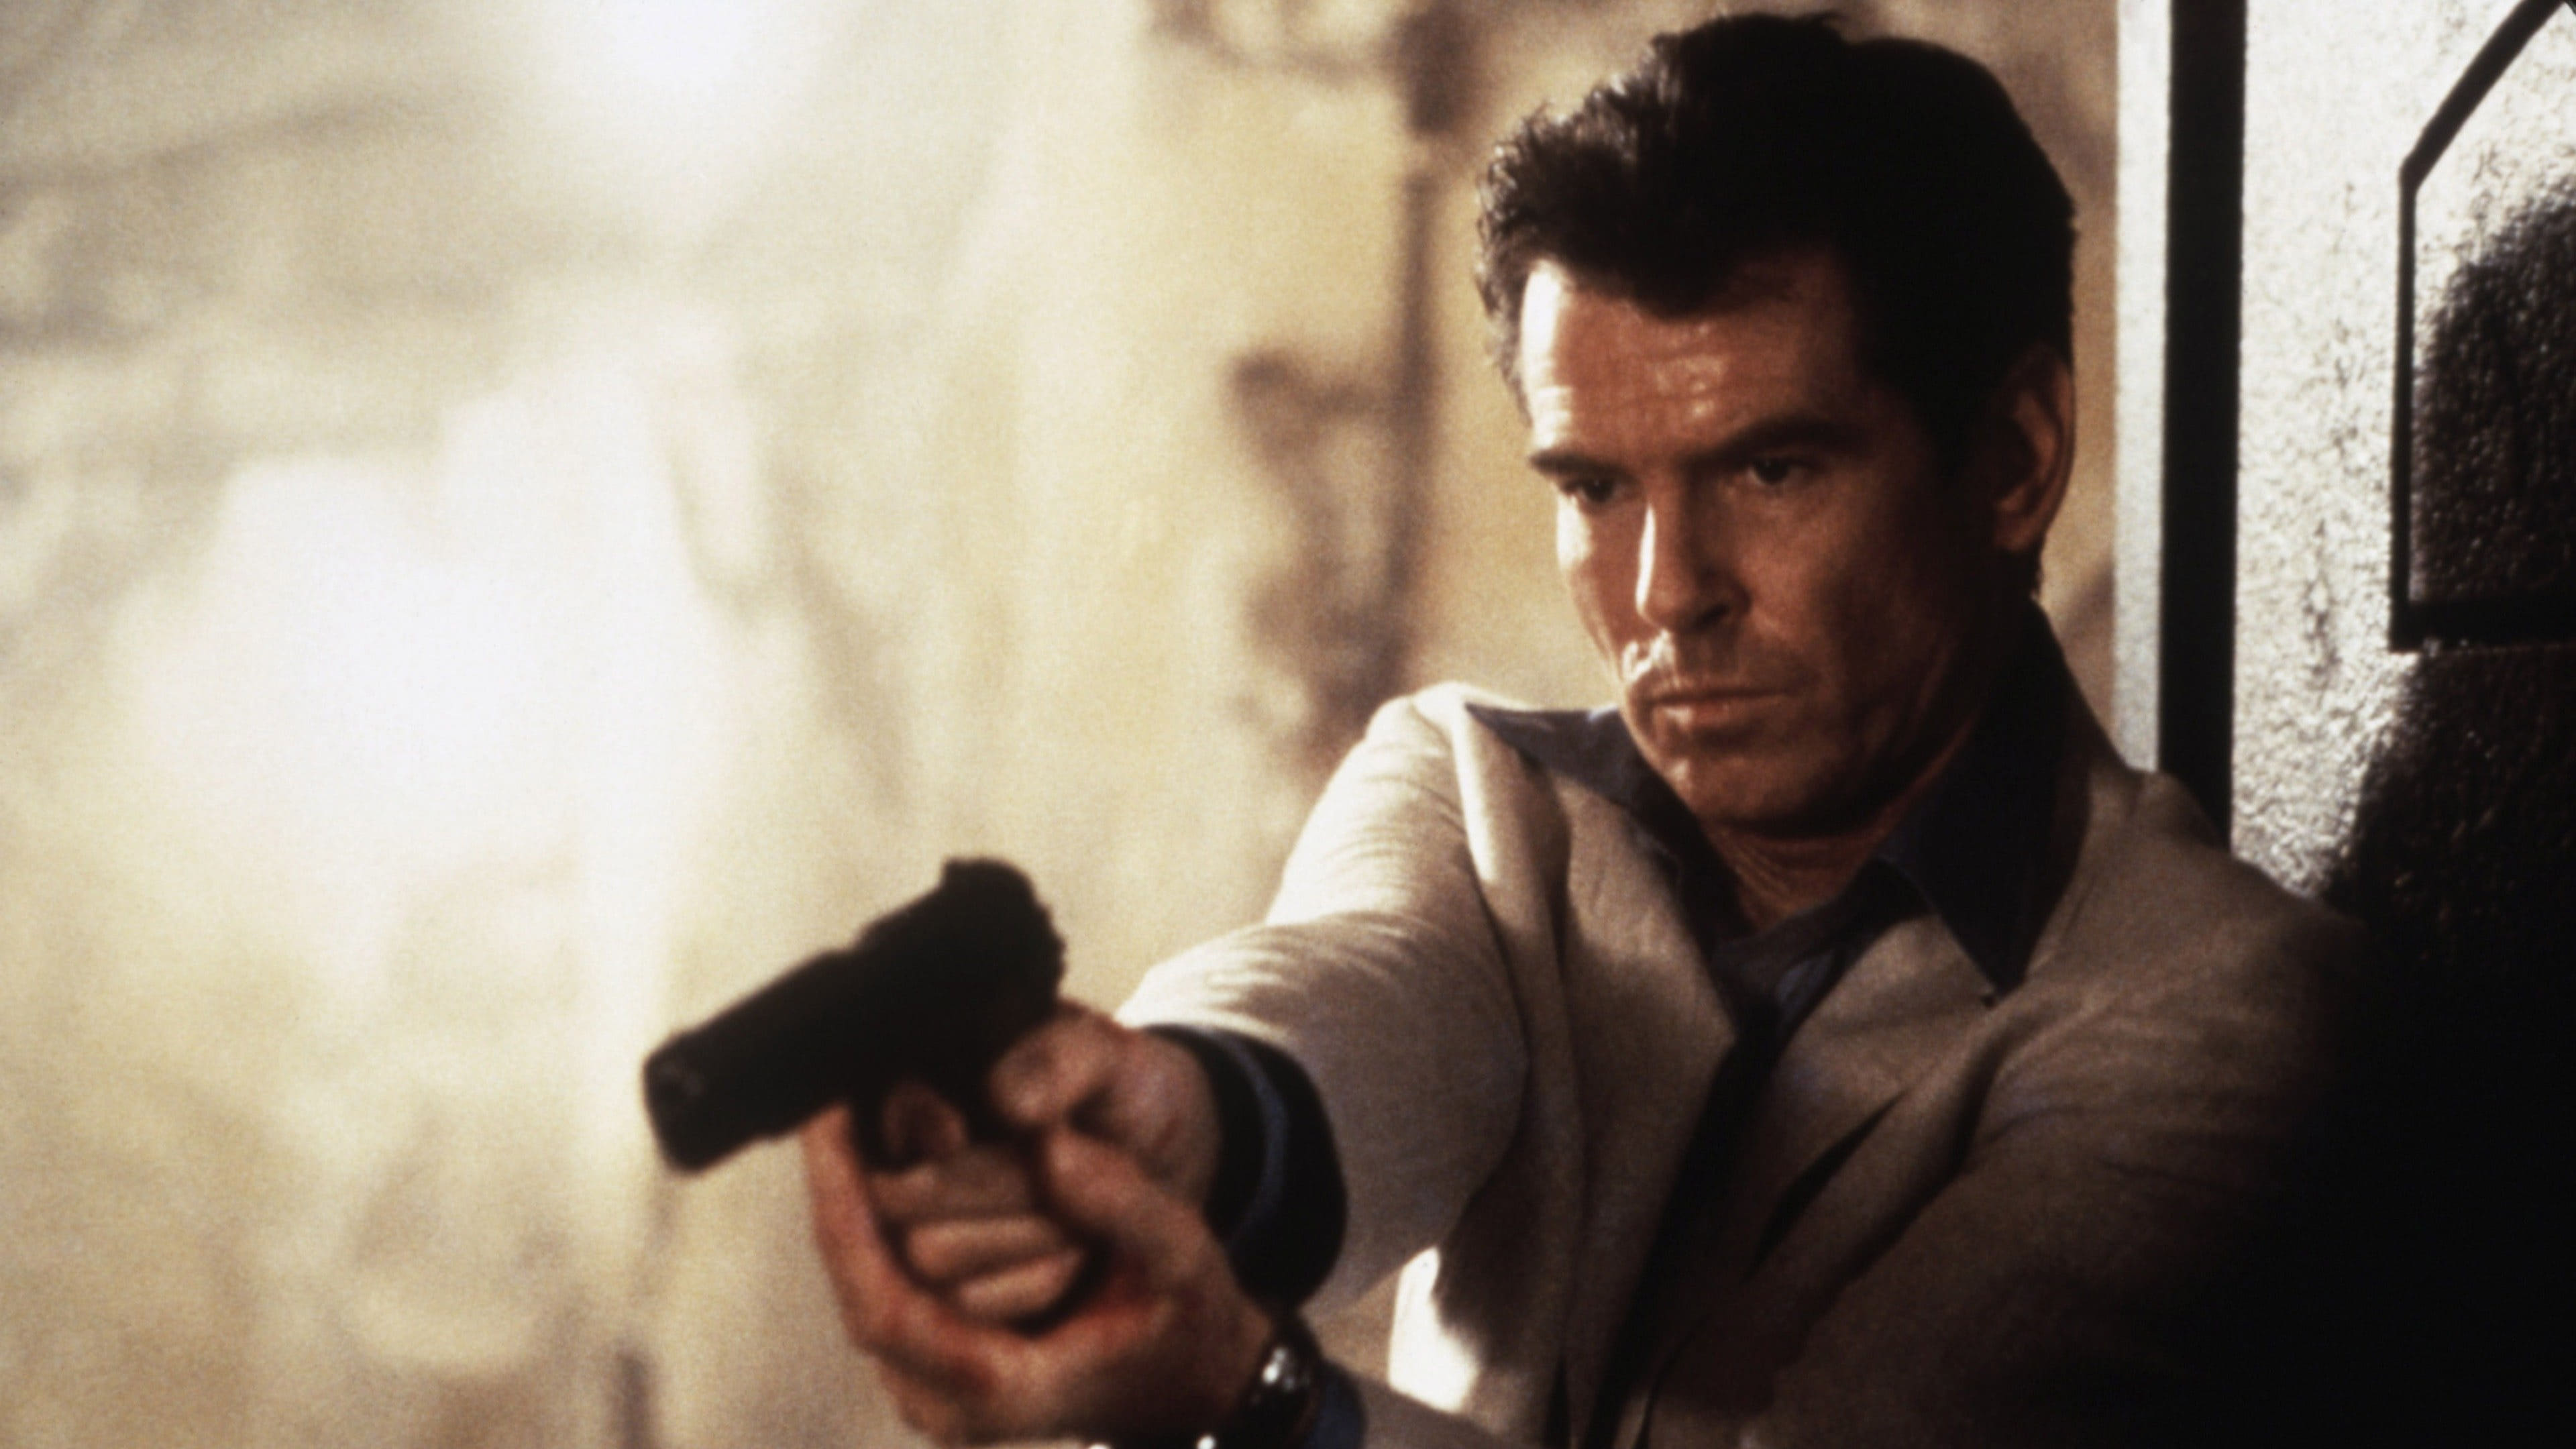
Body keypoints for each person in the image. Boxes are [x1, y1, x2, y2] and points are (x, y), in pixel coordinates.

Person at [799, 14, 2362, 1448]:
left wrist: (1255, 1401)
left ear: (2013, 460)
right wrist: (1167, 1124)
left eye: (1772, 471)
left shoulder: (2215, 1010)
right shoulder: (1479, 796)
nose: (1667, 594)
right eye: (1596, 488)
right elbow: (1360, 1003)